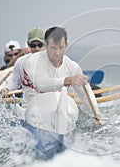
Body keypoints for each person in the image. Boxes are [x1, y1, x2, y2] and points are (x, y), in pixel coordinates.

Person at [21, 26, 100, 159]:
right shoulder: (33, 61)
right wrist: (69, 80)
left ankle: (63, 137)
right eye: (53, 48)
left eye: (61, 48)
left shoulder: (72, 66)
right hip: (32, 109)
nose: (57, 52)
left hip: (59, 108)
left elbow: (85, 94)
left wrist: (96, 115)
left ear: (66, 45)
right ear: (46, 46)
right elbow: (42, 83)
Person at [2, 27, 45, 95]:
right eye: (33, 45)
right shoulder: (20, 62)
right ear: (28, 44)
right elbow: (14, 81)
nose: (37, 49)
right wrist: (7, 89)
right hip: (29, 99)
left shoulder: (54, 61)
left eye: (40, 45)